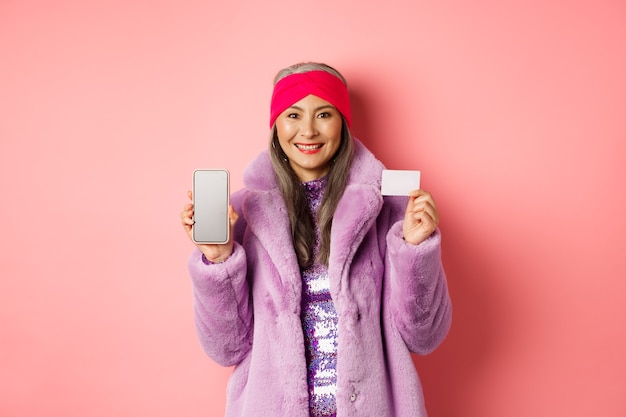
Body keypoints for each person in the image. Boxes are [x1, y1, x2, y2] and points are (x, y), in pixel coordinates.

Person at [180, 62, 452, 417]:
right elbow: (227, 348)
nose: (307, 130)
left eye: (324, 113)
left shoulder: (390, 211)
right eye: (293, 114)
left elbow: (423, 337)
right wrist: (219, 261)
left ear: (342, 123)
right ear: (276, 126)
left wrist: (416, 250)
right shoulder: (241, 217)